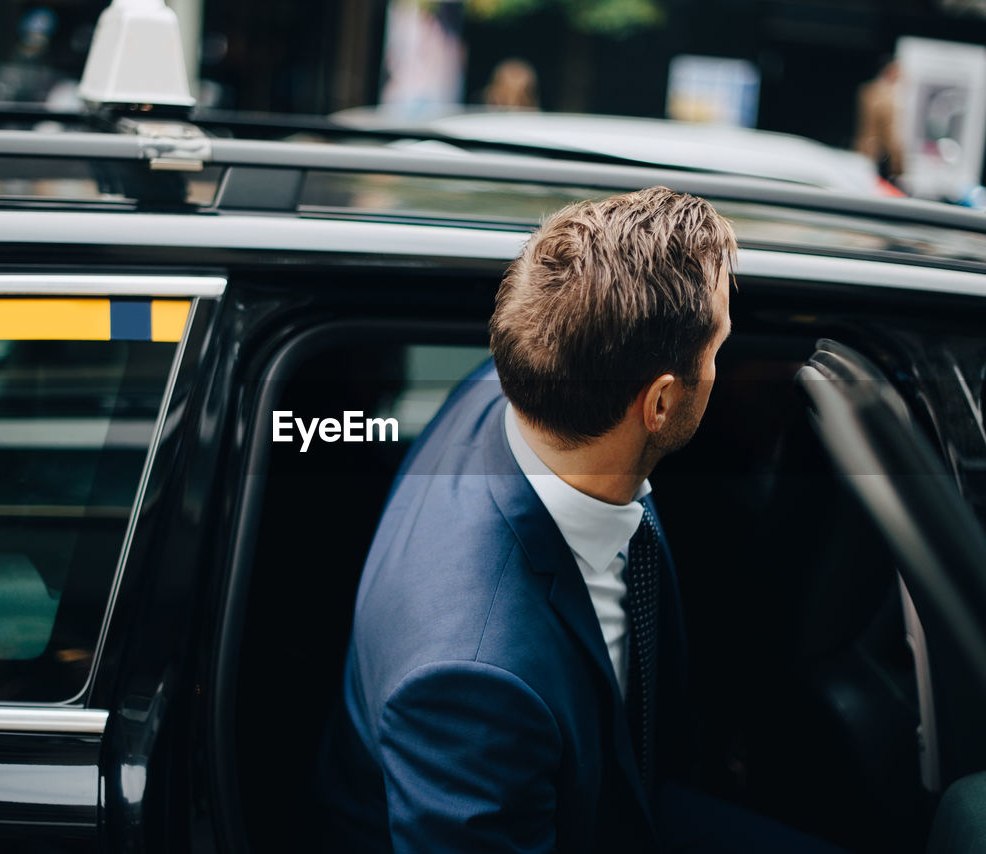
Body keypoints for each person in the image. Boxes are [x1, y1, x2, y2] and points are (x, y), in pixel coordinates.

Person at [317, 187, 845, 852]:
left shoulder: (528, 374)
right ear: (659, 402)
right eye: (718, 349)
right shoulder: (475, 682)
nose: (722, 366)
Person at [853, 57, 904, 184]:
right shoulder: (879, 94)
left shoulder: (871, 91)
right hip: (876, 149)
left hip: (878, 149)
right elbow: (882, 126)